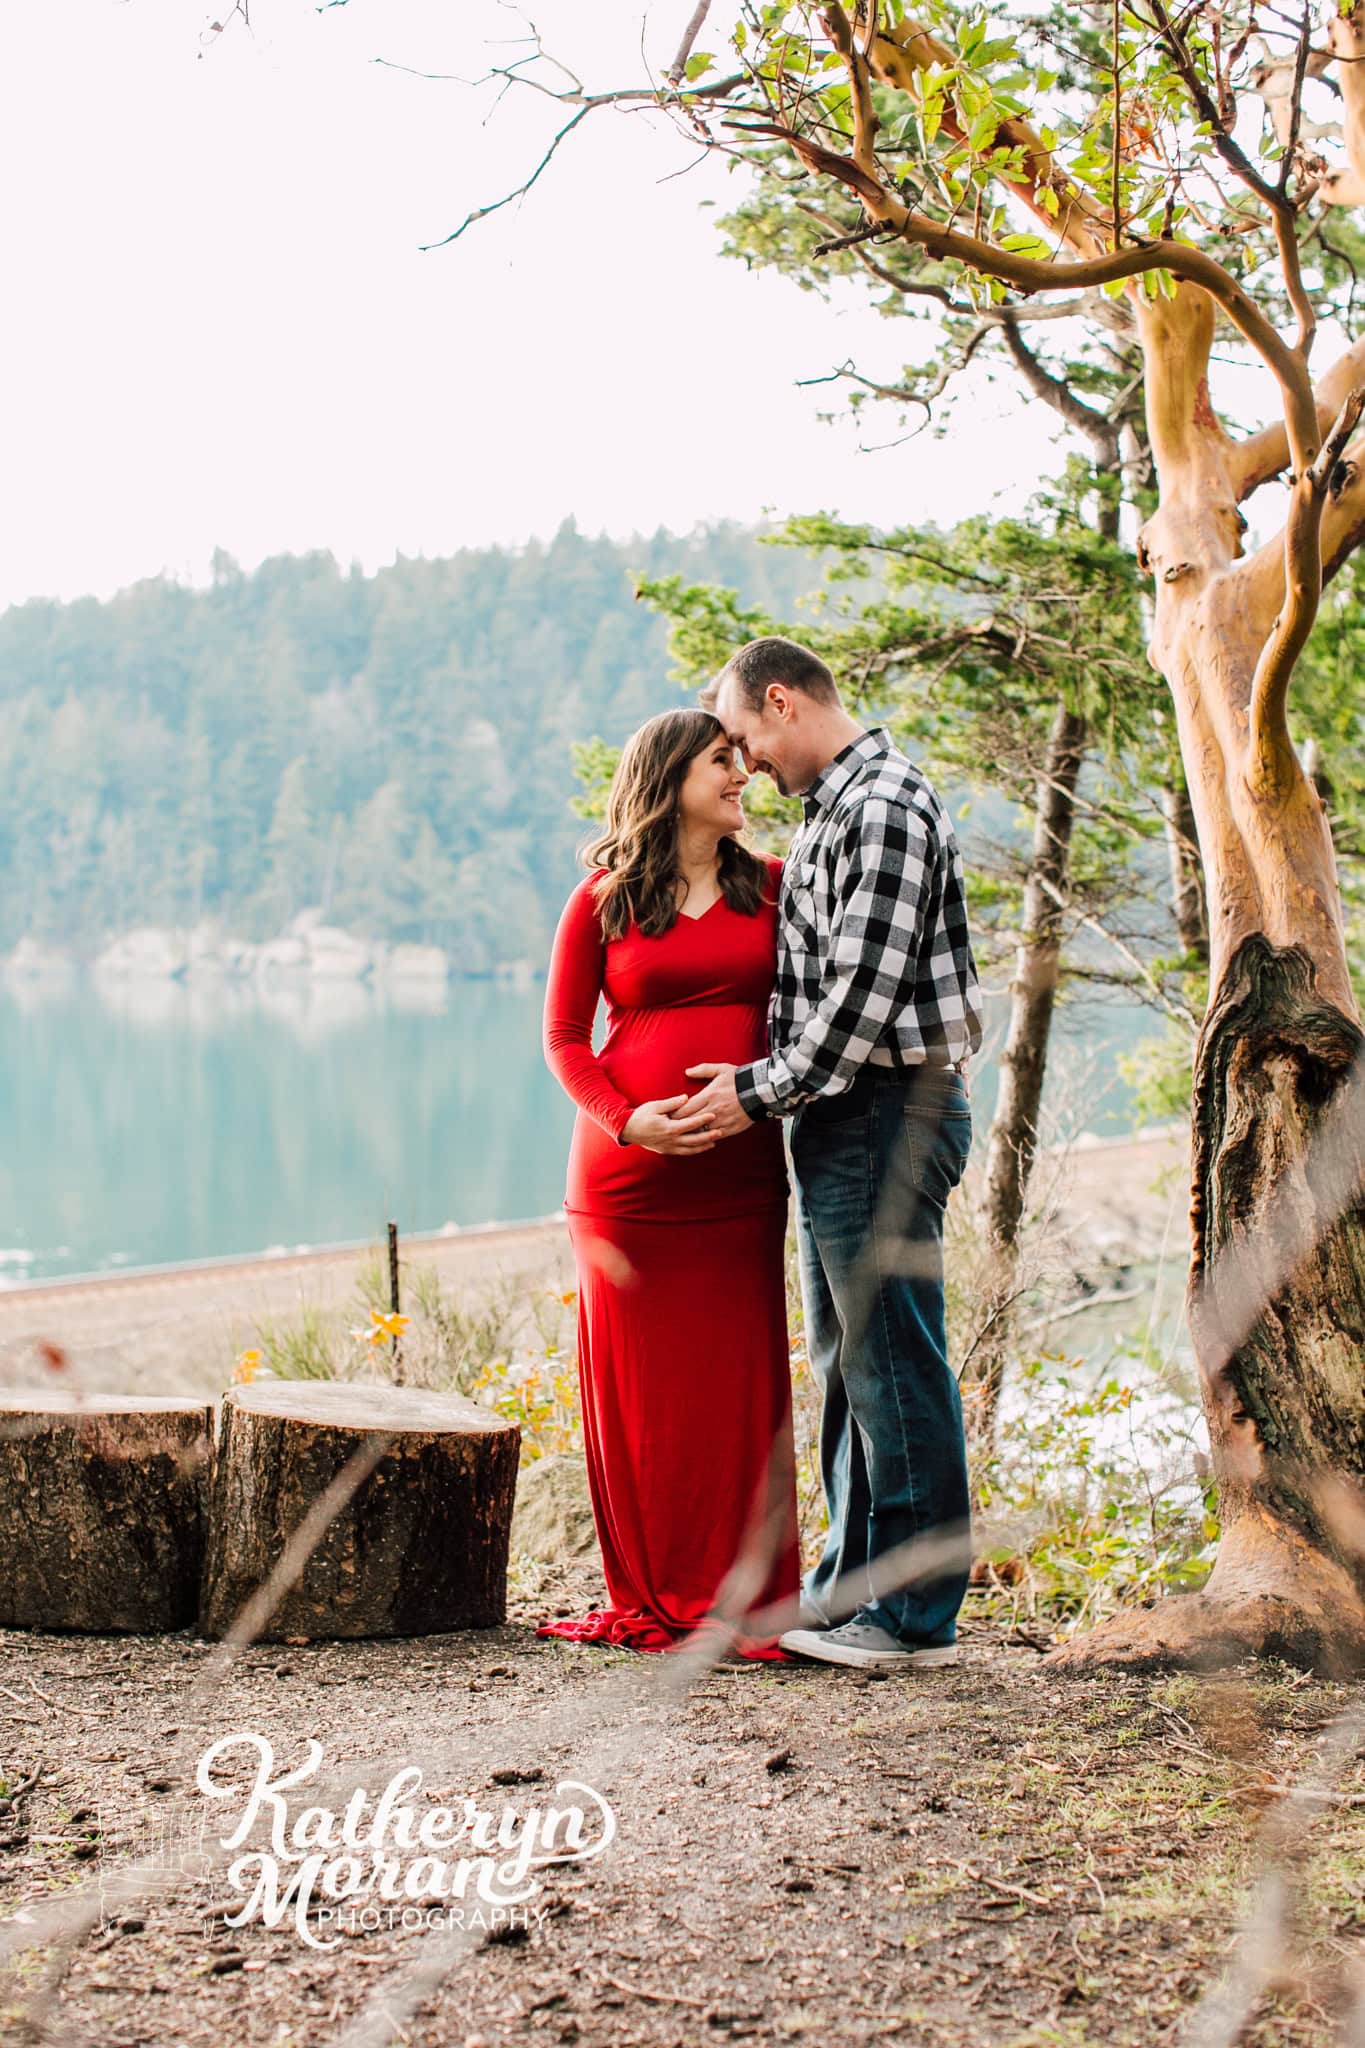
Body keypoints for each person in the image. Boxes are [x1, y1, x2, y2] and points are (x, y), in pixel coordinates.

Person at [685, 637, 984, 1671]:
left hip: (887, 1111)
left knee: (893, 1356)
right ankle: (849, 1590)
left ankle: (912, 1618)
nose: (747, 760)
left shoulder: (884, 806)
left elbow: (859, 1003)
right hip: (845, 1118)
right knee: (851, 1362)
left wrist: (752, 1093)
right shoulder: (835, 813)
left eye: (746, 736)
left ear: (783, 701)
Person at [538, 706, 800, 1660]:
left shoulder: (773, 887)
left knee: (738, 1387)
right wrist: (628, 1119)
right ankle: (649, 1590)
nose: (743, 776)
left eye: (740, 759)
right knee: (641, 1397)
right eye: (722, 763)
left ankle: (753, 1595)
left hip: (738, 1182)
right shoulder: (602, 900)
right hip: (628, 1188)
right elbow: (565, 1040)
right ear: (670, 779)